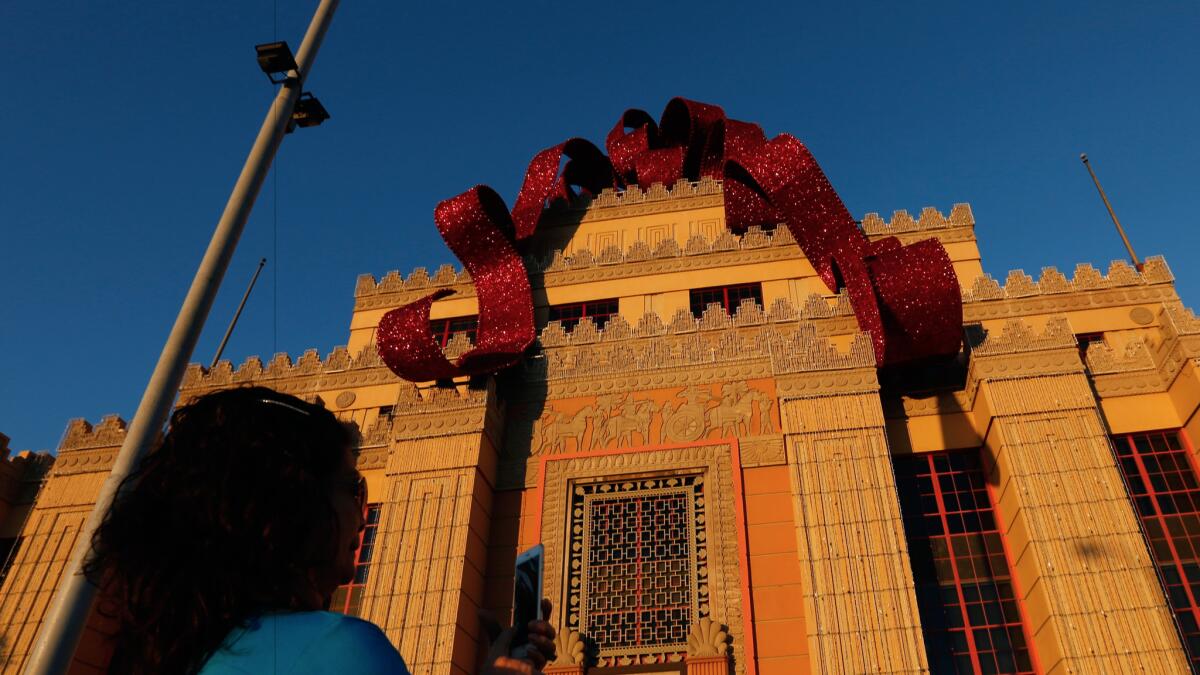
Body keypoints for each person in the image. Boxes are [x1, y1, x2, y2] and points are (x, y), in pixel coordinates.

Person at [85, 386, 556, 674]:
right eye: (352, 487)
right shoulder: (336, 648)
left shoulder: (164, 653)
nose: (362, 513)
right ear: (288, 507)